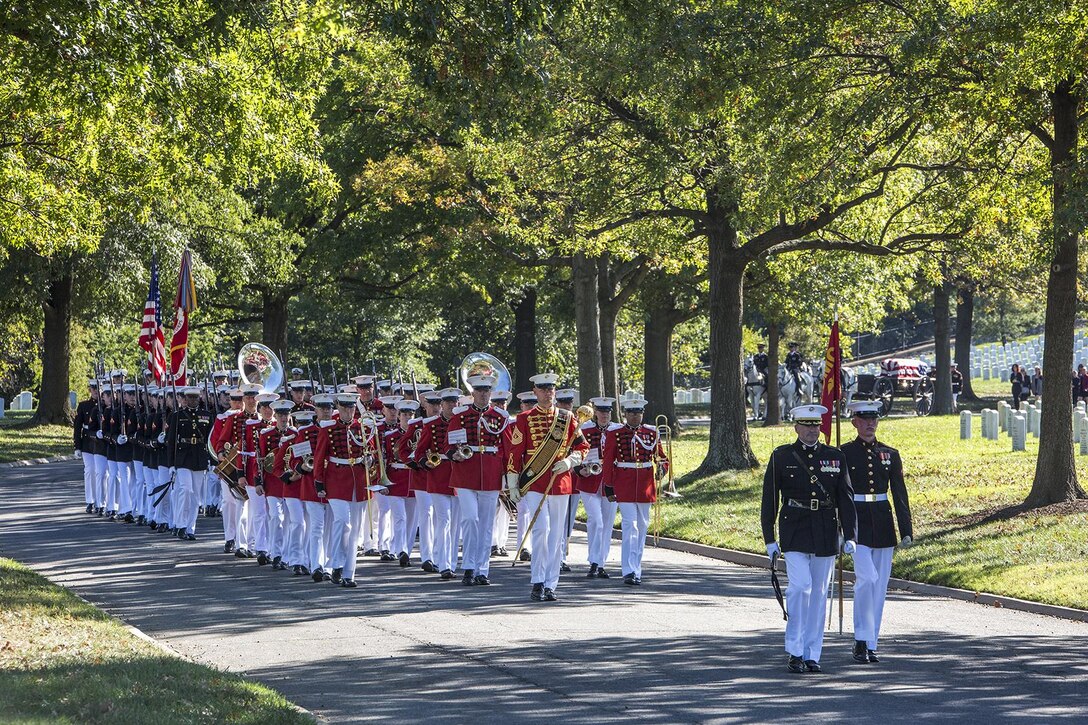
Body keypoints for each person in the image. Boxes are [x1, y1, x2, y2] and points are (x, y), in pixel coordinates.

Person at [761, 404, 857, 674]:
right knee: (800, 587)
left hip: (826, 530)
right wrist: (769, 539)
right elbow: (769, 500)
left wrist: (850, 535)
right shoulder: (782, 456)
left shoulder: (835, 457)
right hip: (794, 529)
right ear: (796, 428)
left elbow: (845, 499)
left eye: (816, 426)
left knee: (818, 595)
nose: (812, 431)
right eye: (806, 425)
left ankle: (812, 653)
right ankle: (794, 649)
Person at [504, 373, 589, 602]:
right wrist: (513, 483)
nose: (547, 392)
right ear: (535, 392)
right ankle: (537, 580)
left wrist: (570, 461)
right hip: (534, 481)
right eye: (543, 389)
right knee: (540, 530)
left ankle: (552, 583)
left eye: (551, 388)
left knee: (556, 534)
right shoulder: (524, 418)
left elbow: (582, 447)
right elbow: (515, 453)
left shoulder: (567, 417)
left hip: (560, 480)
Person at [840, 401, 912, 664]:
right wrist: (842, 527)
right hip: (856, 523)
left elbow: (899, 493)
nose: (870, 424)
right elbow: (840, 494)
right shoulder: (844, 453)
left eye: (874, 419)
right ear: (854, 422)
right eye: (864, 419)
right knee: (867, 579)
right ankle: (860, 638)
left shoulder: (889, 454)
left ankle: (871, 642)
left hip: (882, 522)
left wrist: (906, 529)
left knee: (879, 587)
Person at [447, 374, 510, 585]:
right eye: (479, 391)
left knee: (486, 524)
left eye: (486, 391)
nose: (483, 395)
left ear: (490, 393)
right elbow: (449, 443)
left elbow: (508, 448)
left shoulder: (500, 417)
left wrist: (509, 476)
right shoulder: (461, 415)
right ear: (472, 393)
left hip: (491, 472)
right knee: (470, 519)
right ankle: (468, 566)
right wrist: (452, 454)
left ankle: (482, 569)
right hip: (465, 471)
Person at [600, 398, 668, 586]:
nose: (635, 416)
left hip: (645, 484)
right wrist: (609, 484)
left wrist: (662, 469)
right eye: (631, 413)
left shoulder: (651, 432)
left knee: (643, 525)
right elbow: (608, 461)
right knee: (631, 525)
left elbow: (661, 457)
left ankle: (637, 568)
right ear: (625, 414)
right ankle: (628, 570)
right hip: (624, 482)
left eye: (638, 413)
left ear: (642, 414)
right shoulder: (615, 433)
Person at [313, 391, 378, 589]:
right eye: (344, 408)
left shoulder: (364, 428)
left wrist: (370, 460)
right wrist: (319, 482)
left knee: (355, 528)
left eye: (351, 408)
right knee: (343, 521)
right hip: (336, 480)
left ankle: (348, 573)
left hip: (358, 481)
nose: (348, 411)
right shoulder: (328, 429)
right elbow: (319, 457)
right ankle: (336, 563)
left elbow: (373, 452)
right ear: (338, 408)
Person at [413, 387, 462, 580]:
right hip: (438, 475)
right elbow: (418, 452)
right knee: (444, 521)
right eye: (448, 402)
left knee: (456, 523)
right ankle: (444, 565)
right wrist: (426, 463)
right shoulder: (431, 425)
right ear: (442, 404)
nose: (452, 405)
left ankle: (452, 562)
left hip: (459, 476)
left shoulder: (463, 423)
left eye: (454, 402)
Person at [574, 397, 620, 578]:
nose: (604, 415)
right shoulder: (585, 429)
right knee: (596, 521)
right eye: (601, 412)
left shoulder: (617, 430)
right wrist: (578, 469)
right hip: (589, 481)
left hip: (610, 481)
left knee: (607, 524)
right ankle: (593, 560)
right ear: (595, 413)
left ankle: (600, 562)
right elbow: (573, 450)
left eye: (607, 412)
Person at [165, 387, 213, 541]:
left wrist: (211, 460)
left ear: (199, 399)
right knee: (185, 490)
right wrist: (171, 463)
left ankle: (190, 528)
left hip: (199, 456)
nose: (192, 400)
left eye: (195, 398)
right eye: (189, 398)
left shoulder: (206, 415)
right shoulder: (177, 416)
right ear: (185, 399)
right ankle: (179, 524)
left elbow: (210, 440)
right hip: (183, 457)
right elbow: (171, 441)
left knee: (196, 496)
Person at [73, 379, 101, 514]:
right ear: (89, 389)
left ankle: (101, 500)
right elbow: (77, 427)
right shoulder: (83, 406)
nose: (95, 390)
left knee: (101, 473)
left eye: (98, 387)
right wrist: (77, 446)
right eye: (93, 388)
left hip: (101, 444)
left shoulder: (106, 406)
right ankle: (90, 500)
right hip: (87, 443)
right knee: (89, 471)